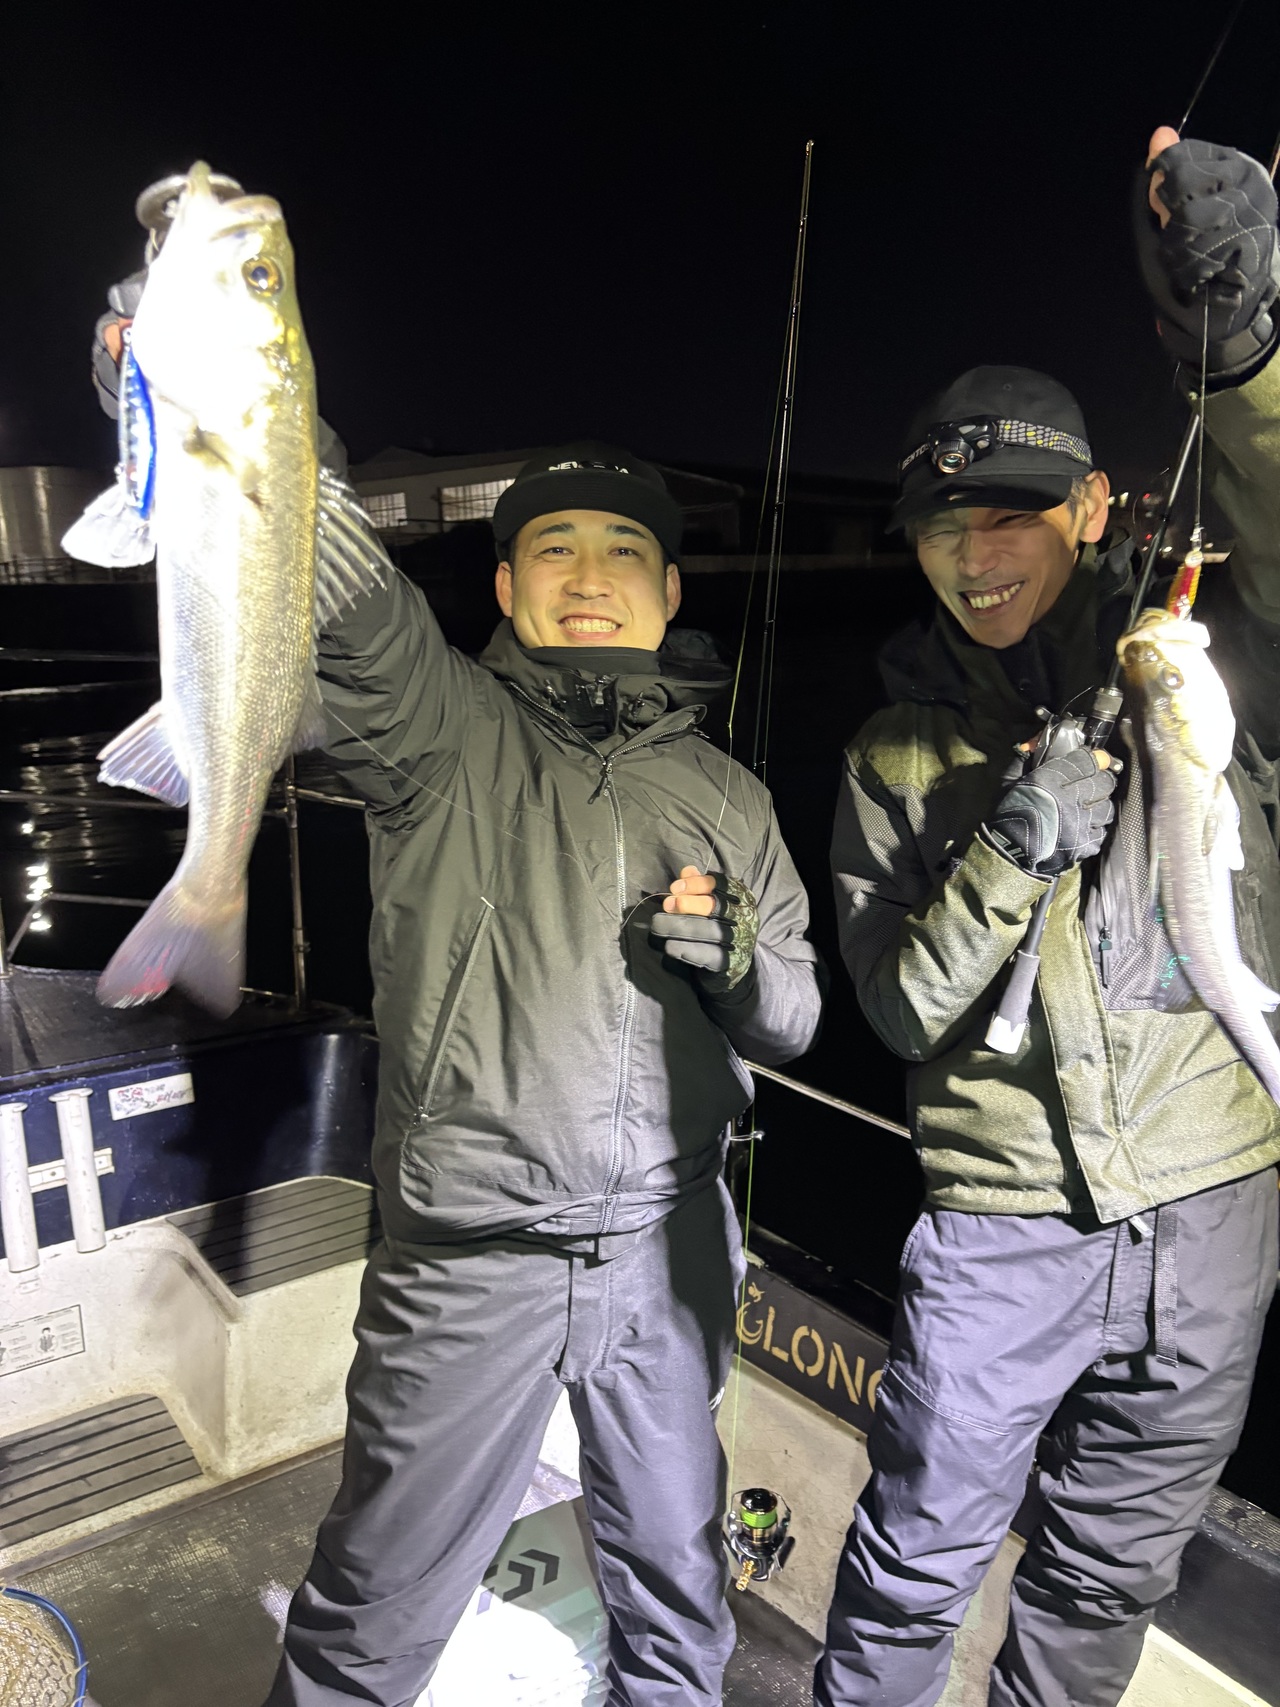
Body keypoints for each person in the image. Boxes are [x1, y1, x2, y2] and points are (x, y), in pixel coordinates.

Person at [818, 126, 1280, 1707]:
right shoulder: (889, 752)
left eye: (1014, 512)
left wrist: (1242, 352)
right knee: (913, 1556)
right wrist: (1013, 843)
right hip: (1002, 1219)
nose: (978, 552)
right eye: (945, 523)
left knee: (1106, 1572)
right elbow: (895, 1005)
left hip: (1214, 1202)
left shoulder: (1205, 658)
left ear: (1090, 506)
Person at [269, 445, 822, 1704]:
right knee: (373, 1604)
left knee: (677, 1588)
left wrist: (738, 965)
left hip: (671, 1252)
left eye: (622, 550)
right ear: (505, 586)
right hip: (471, 1258)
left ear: (668, 590)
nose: (587, 577)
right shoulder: (435, 730)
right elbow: (341, 589)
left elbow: (793, 1020)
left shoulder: (729, 794)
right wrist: (238, 413)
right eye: (552, 549)